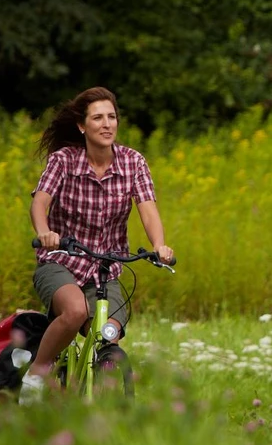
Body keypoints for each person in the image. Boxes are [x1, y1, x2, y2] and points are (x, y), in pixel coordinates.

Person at [20, 87, 174, 405]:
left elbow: (148, 209)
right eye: (98, 117)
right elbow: (40, 204)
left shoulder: (133, 162)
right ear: (82, 126)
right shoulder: (63, 161)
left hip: (105, 268)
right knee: (75, 311)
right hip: (61, 260)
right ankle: (35, 376)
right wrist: (45, 231)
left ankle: (98, 403)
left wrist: (159, 246)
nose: (107, 124)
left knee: (110, 332)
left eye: (112, 117)